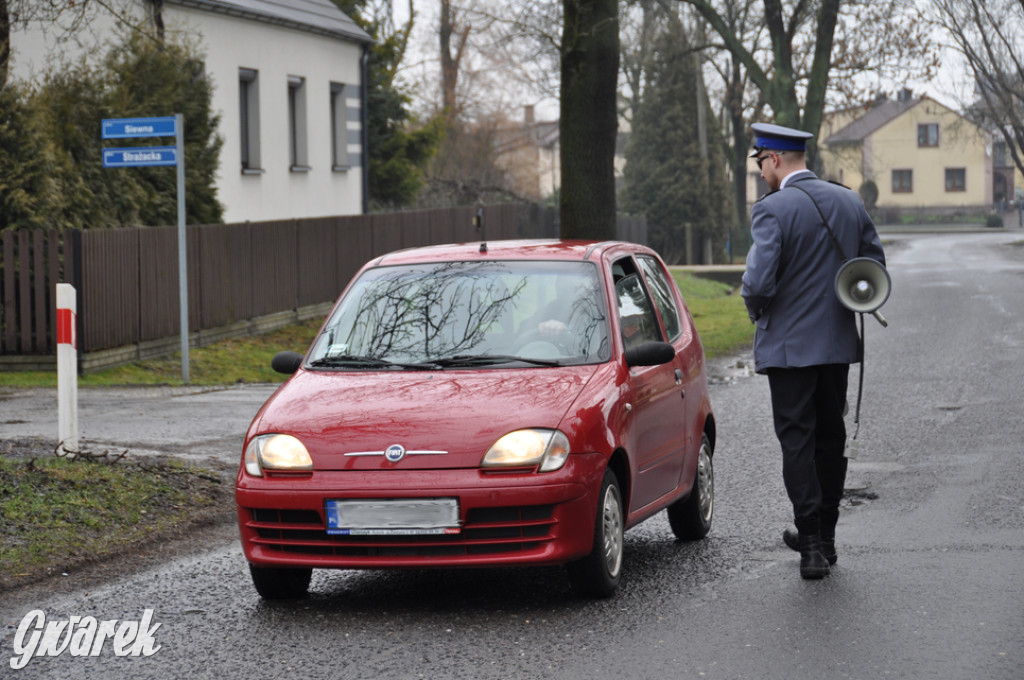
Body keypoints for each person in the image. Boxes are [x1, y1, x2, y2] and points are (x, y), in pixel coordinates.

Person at [741, 122, 886, 580]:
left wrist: (757, 310)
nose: (761, 171)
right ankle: (826, 537)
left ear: (775, 160)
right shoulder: (848, 200)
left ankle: (809, 547)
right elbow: (872, 270)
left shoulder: (772, 210)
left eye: (761, 162)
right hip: (837, 343)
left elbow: (758, 282)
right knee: (831, 437)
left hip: (787, 349)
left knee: (797, 441)